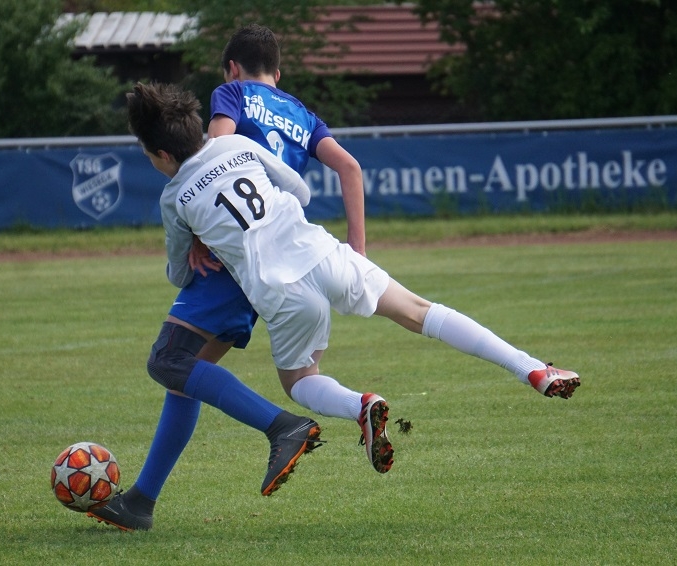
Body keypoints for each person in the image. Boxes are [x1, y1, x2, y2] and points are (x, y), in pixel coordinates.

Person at [123, 78, 580, 495]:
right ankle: (531, 368)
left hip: (279, 290)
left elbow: (180, 274)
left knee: (300, 382)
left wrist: (198, 240)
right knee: (419, 311)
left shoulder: (173, 196)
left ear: (162, 154)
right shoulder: (237, 144)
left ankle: (359, 405)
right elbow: (300, 192)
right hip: (320, 251)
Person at [91, 25, 376, 532]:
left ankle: (281, 427)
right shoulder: (297, 113)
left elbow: (184, 253)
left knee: (169, 360)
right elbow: (323, 177)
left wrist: (204, 223)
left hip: (232, 259)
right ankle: (140, 502)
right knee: (185, 377)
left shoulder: (231, 98)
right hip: (277, 243)